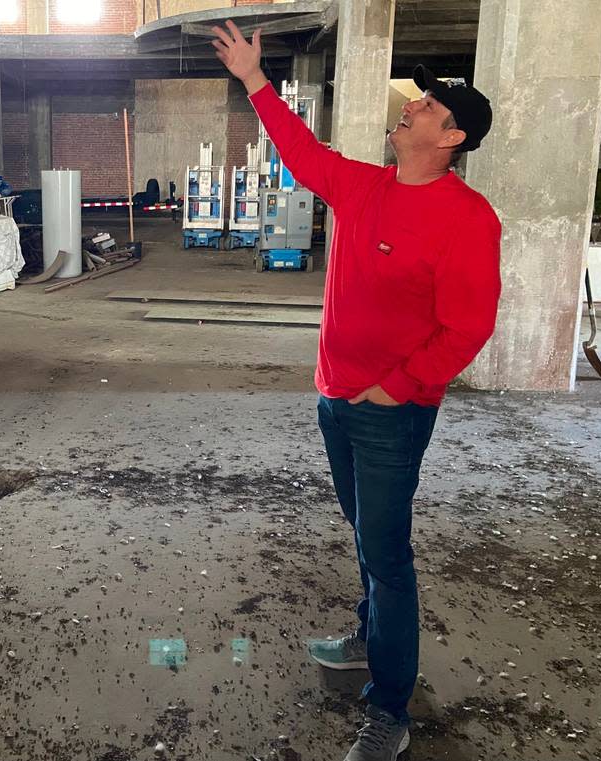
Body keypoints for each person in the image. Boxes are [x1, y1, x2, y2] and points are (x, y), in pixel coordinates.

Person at [212, 20, 502, 761]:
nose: (414, 106)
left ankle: (390, 710)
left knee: (387, 552)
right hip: (334, 399)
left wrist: (395, 388)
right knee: (365, 534)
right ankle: (368, 637)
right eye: (418, 100)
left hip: (390, 414)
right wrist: (254, 80)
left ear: (454, 139)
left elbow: (466, 328)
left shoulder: (469, 220)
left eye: (432, 108)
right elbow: (303, 154)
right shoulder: (365, 186)